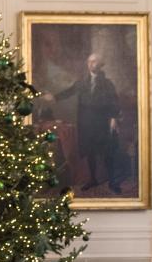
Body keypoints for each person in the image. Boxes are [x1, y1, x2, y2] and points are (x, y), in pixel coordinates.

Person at [42, 53, 121, 193]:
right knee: (89, 151)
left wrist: (113, 118)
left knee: (107, 151)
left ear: (101, 64)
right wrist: (54, 97)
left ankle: (113, 182)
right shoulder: (82, 82)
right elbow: (69, 91)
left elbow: (114, 101)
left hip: (102, 122)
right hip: (86, 122)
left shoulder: (107, 83)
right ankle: (93, 179)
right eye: (89, 61)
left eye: (95, 61)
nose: (91, 64)